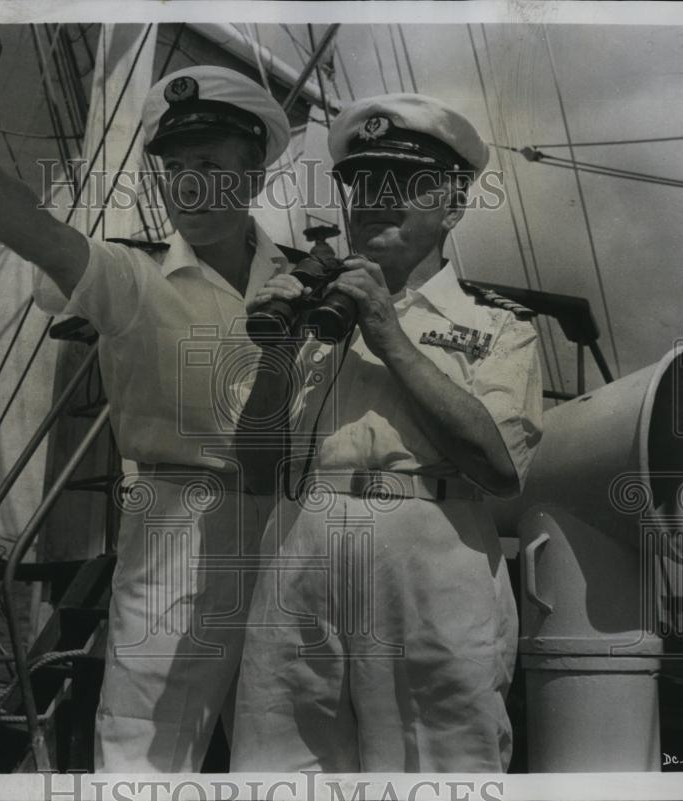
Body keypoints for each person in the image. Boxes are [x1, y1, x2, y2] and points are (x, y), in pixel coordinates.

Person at [0, 64, 301, 772]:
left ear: (253, 177)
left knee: (289, 757)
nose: (188, 184)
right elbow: (36, 231)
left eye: (211, 165)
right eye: (175, 167)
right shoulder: (134, 279)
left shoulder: (306, 284)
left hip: (296, 530)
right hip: (176, 533)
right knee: (144, 756)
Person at [231, 93, 544, 772]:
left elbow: (498, 466)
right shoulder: (312, 318)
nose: (375, 199)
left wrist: (390, 336)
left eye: (403, 184)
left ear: (454, 205)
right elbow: (256, 471)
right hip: (301, 551)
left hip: (428, 559)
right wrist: (276, 356)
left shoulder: (498, 326)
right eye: (361, 184)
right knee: (276, 761)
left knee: (436, 760)